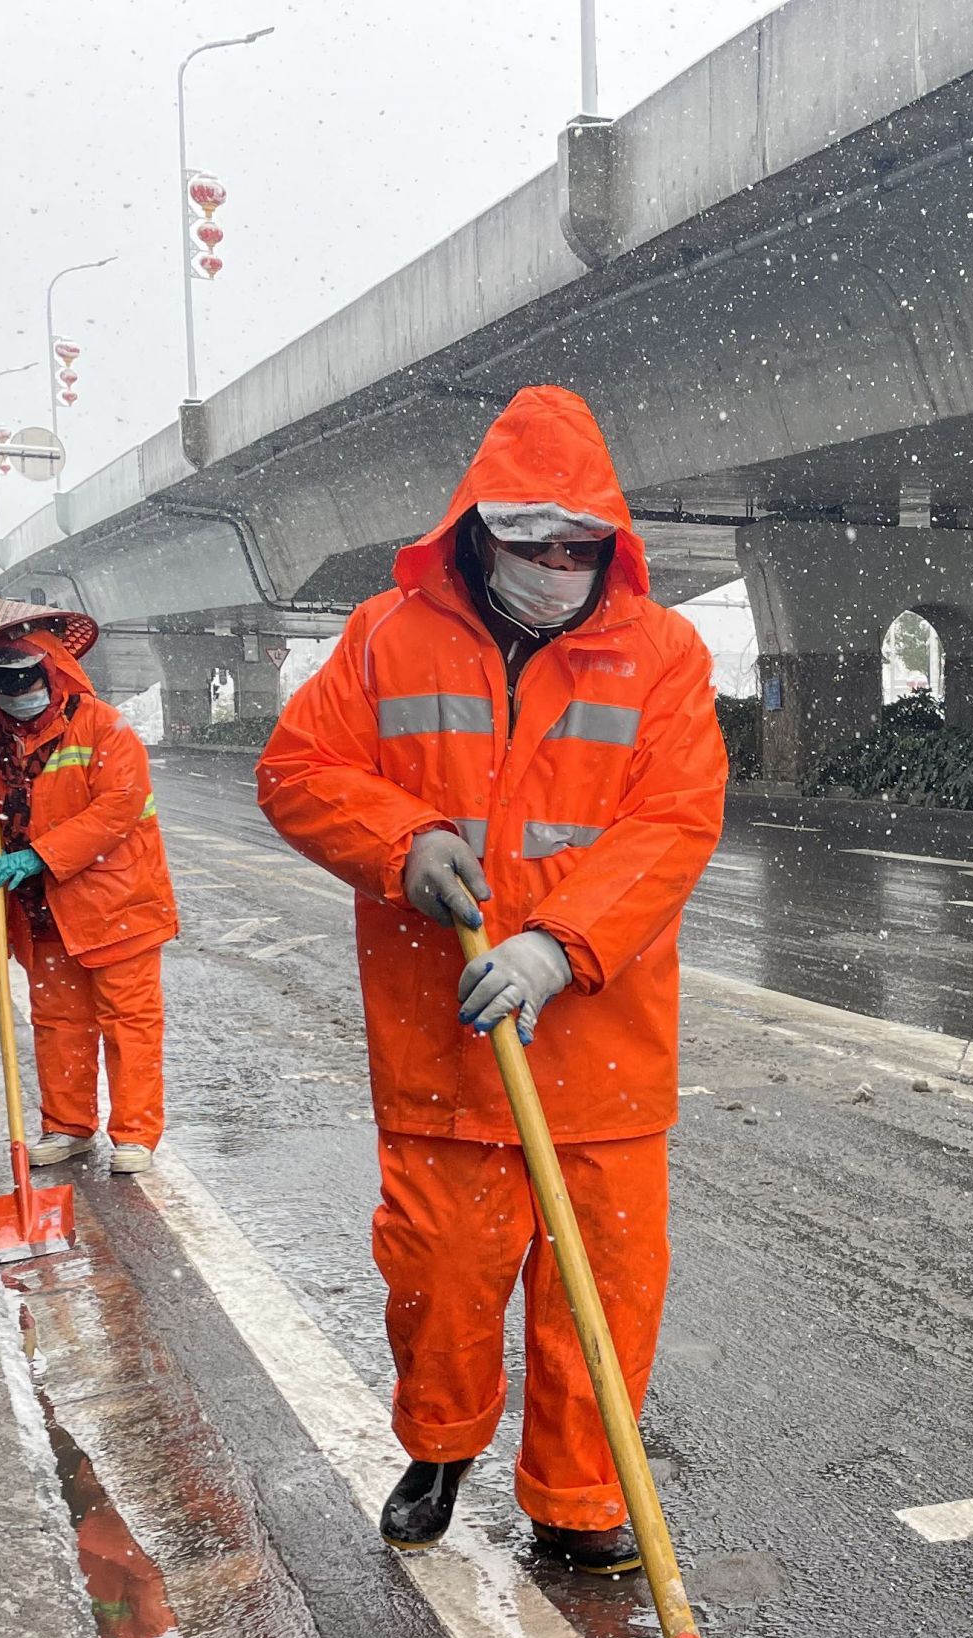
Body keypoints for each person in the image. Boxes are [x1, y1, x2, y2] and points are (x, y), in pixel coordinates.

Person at [259, 386, 726, 1576]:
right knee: (440, 1279)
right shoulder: (385, 637)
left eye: (581, 548)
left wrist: (557, 946)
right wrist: (403, 840)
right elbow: (299, 770)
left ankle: (578, 1498)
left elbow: (674, 822)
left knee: (601, 1292)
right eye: (536, 544)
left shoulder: (663, 655)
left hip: (602, 1046)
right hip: (444, 1040)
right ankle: (440, 1449)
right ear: (480, 530)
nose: (559, 568)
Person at [0, 599, 177, 1176]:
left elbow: (118, 807)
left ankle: (135, 1134)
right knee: (57, 1024)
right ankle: (68, 1126)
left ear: (51, 673)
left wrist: (38, 856)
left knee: (129, 1022)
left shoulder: (103, 726)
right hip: (42, 911)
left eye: (23, 681)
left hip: (117, 905)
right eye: (0, 687)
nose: (14, 696)